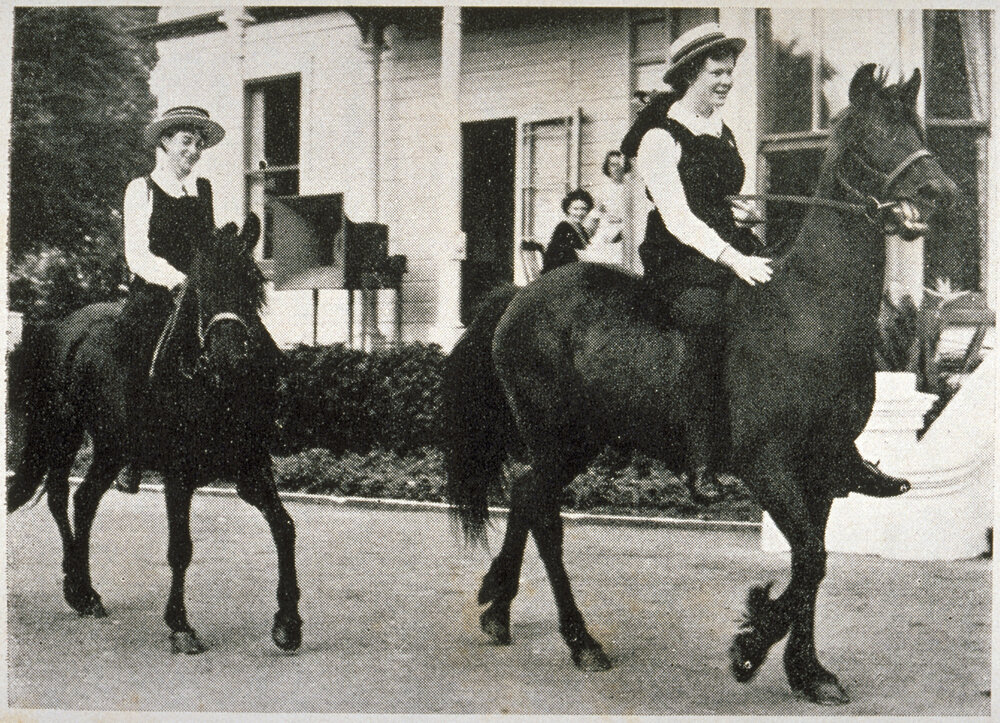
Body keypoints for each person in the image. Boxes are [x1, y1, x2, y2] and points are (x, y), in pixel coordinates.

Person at [620, 23, 905, 500]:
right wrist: (733, 258)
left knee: (794, 309)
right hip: (680, 258)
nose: (727, 81)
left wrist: (738, 212)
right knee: (707, 320)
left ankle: (837, 450)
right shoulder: (658, 137)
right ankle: (702, 459)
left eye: (730, 72)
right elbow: (676, 216)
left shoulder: (721, 130)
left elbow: (712, 196)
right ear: (690, 74)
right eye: (717, 72)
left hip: (727, 241)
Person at [115, 106, 282, 493]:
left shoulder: (203, 189)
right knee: (140, 348)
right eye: (186, 142)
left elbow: (209, 248)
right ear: (164, 142)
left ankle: (247, 443)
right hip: (157, 292)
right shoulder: (141, 189)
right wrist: (178, 281)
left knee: (258, 345)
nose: (193, 151)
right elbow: (137, 255)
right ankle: (132, 452)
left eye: (199, 145)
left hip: (199, 295)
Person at [542, 189, 594, 274]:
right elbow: (563, 257)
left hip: (573, 271)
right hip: (558, 275)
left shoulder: (580, 229)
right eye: (575, 209)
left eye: (584, 209)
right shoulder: (563, 228)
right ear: (568, 209)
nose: (580, 213)